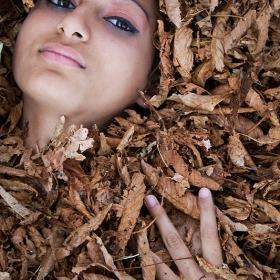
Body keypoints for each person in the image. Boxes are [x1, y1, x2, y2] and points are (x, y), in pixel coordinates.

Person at [11, 0, 223, 278]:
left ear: (154, 81)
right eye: (60, 1)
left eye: (119, 22)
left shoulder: (145, 238)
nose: (72, 23)